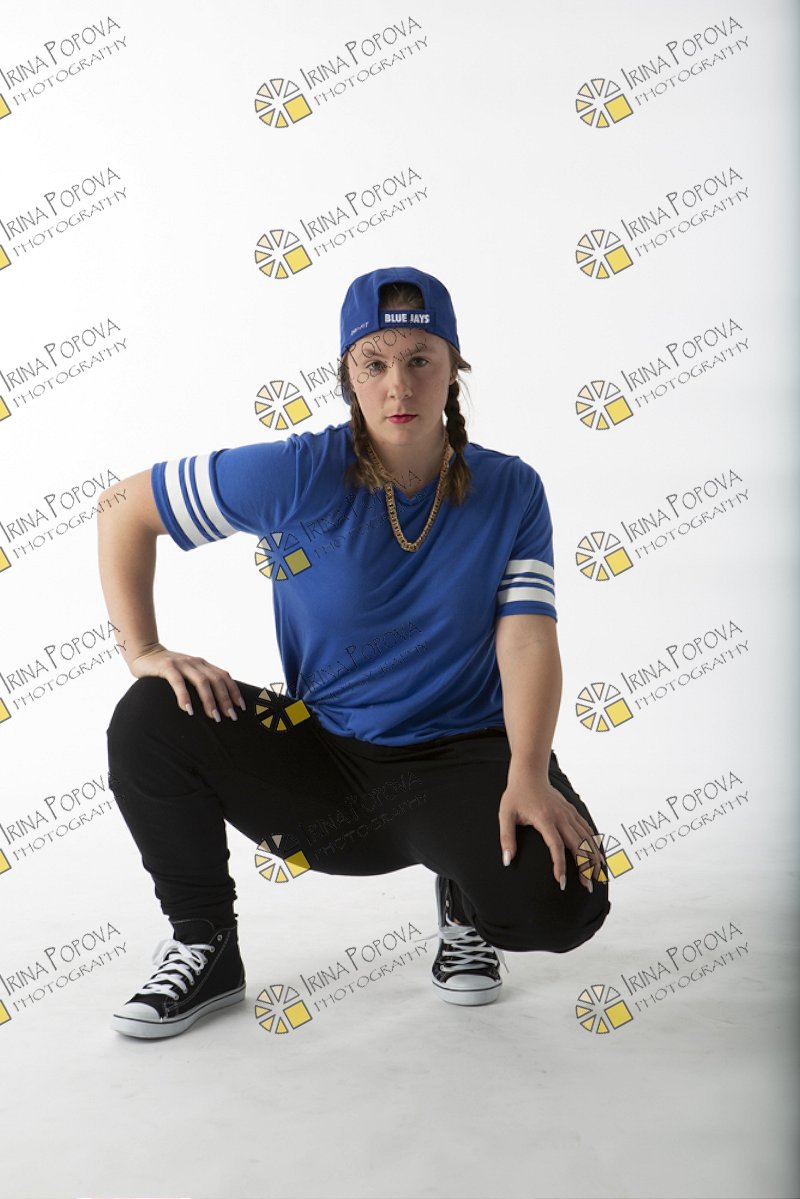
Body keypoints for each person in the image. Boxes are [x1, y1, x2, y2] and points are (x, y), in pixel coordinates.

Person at [98, 265, 611, 1040]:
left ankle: (466, 901)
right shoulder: (300, 472)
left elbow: (528, 634)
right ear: (348, 374)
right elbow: (122, 508)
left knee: (569, 902)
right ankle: (205, 943)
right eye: (374, 362)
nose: (398, 384)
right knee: (150, 716)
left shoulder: (510, 489)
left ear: (453, 368)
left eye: (420, 359)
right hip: (326, 762)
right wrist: (144, 649)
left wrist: (529, 772)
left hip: (462, 759)